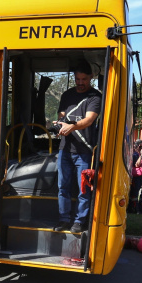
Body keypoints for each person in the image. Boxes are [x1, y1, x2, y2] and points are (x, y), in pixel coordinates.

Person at [52, 61, 102, 235]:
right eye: (78, 79)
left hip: (85, 151)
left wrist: (71, 126)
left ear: (91, 79)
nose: (80, 83)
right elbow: (62, 116)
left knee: (83, 189)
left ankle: (79, 221)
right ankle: (63, 219)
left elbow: (89, 120)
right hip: (65, 149)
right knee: (62, 187)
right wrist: (59, 124)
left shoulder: (95, 97)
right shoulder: (67, 95)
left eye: (84, 79)